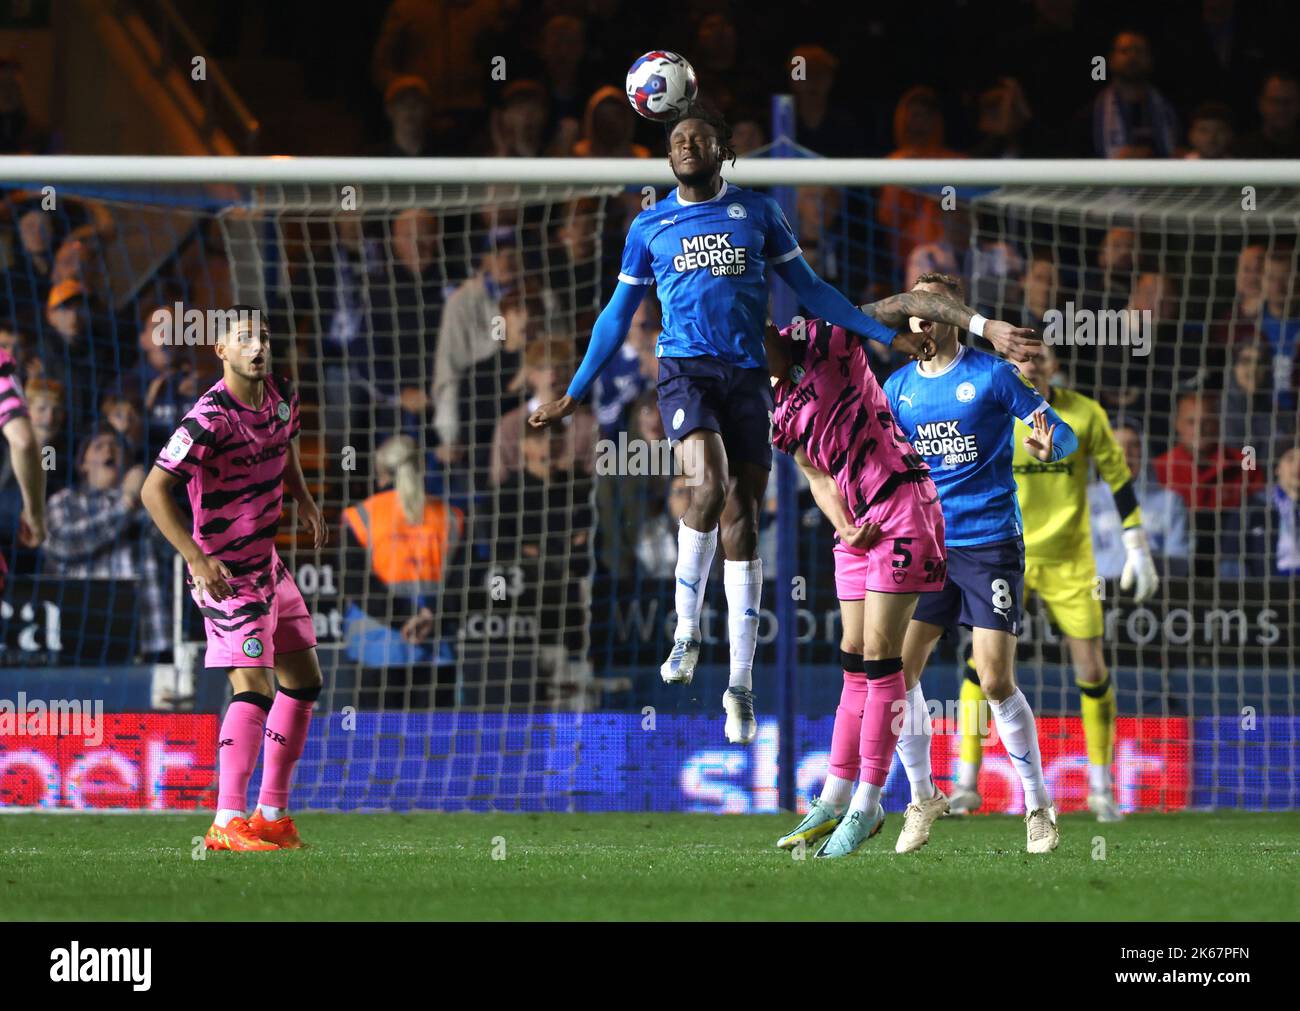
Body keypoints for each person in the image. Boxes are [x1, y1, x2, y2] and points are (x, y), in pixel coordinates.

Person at [528, 102, 953, 744]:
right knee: (708, 484)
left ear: (724, 152)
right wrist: (575, 390)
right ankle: (684, 633)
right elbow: (617, 316)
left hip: (751, 375)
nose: (688, 145)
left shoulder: (757, 213)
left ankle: (739, 687)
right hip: (685, 371)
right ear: (667, 155)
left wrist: (879, 335)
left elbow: (811, 291)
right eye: (678, 138)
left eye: (701, 137)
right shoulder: (650, 225)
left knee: (744, 518)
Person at [766, 286, 1038, 858]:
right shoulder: (774, 399)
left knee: (888, 658)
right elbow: (814, 472)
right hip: (855, 525)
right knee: (854, 658)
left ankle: (870, 802)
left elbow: (914, 301)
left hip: (908, 512)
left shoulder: (826, 335)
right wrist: (842, 523)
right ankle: (840, 794)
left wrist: (984, 326)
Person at [886, 272, 1080, 855]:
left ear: (953, 315)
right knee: (896, 673)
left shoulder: (992, 376)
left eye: (931, 306)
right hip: (926, 545)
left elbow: (1060, 432)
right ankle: (923, 797)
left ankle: (1038, 806)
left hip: (989, 541)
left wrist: (1049, 443)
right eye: (913, 308)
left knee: (994, 677)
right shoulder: (897, 388)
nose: (920, 317)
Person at [140, 307, 327, 852]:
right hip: (225, 576)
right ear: (220, 351)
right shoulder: (206, 419)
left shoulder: (280, 394)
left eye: (263, 336)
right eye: (244, 338)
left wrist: (306, 500)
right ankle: (226, 820)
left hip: (268, 564)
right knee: (254, 687)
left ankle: (271, 814)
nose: (257, 345)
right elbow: (153, 491)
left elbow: (284, 444)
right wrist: (196, 558)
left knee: (305, 680)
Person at [953, 343, 1157, 824]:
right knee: (981, 665)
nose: (1031, 365)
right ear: (1011, 368)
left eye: (1039, 357)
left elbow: (1117, 475)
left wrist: (1136, 542)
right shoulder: (993, 410)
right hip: (1005, 551)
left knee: (1089, 666)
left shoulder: (1084, 414)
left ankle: (1102, 788)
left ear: (1054, 365)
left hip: (1070, 561)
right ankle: (965, 784)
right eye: (1022, 359)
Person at [342, 435, 464, 707]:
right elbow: (466, 583)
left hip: (376, 647)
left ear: (381, 474)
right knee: (433, 742)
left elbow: (356, 585)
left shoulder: (361, 515)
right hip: (435, 644)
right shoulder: (452, 517)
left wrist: (405, 618)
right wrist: (430, 616)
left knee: (378, 742)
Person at [42, 429, 169, 658]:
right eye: (99, 446)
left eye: (116, 446)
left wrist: (153, 495)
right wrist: (126, 503)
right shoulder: (64, 501)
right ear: (82, 464)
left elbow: (173, 550)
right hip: (81, 635)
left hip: (149, 637)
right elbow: (62, 544)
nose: (109, 450)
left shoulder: (149, 504)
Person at [1090, 422, 1190, 580]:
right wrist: (1138, 560)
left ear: (1144, 452)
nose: (1125, 453)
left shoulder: (1170, 502)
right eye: (1117, 446)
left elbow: (1180, 561)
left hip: (1158, 592)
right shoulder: (1087, 500)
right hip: (1101, 593)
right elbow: (1084, 561)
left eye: (1134, 445)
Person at [0, 344, 46, 594]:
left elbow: (45, 458)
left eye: (56, 409)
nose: (50, 415)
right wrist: (36, 514)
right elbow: (24, 442)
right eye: (41, 408)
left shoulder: (53, 447)